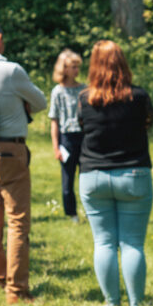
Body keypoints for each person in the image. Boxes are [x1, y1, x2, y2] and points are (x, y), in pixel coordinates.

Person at [0, 16, 47, 305]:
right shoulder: (10, 70)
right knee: (17, 219)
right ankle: (16, 290)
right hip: (10, 150)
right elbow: (39, 102)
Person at [78, 40, 153, 306]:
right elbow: (148, 123)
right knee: (132, 243)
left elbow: (82, 127)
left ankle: (111, 302)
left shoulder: (84, 98)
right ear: (123, 63)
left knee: (104, 242)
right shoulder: (139, 97)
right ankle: (137, 304)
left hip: (93, 176)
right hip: (133, 175)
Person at [48, 48, 84, 222]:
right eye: (73, 66)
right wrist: (56, 147)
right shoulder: (58, 91)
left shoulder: (84, 89)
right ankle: (71, 213)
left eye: (78, 66)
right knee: (67, 180)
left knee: (86, 176)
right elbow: (54, 120)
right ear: (64, 68)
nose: (76, 70)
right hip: (67, 138)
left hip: (83, 136)